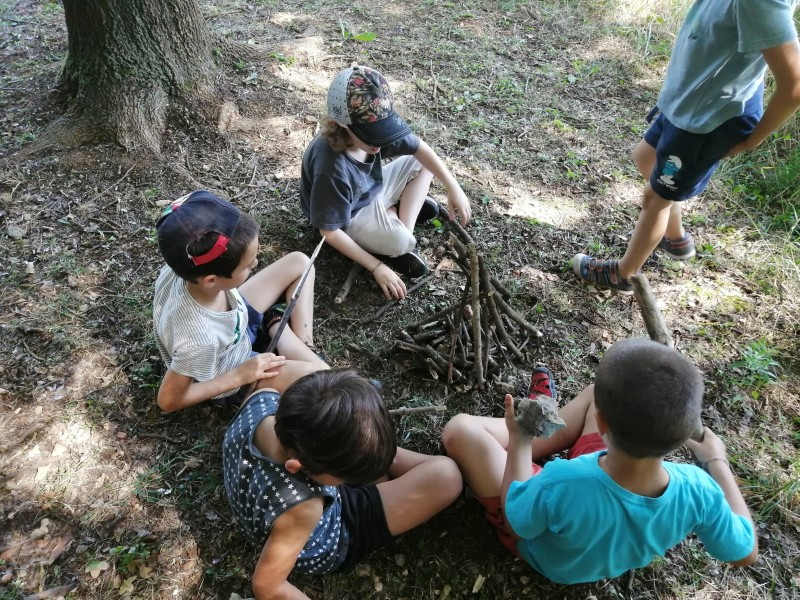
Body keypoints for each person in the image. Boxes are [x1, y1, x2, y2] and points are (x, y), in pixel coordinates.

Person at [442, 339, 758, 584]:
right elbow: (745, 553)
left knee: (460, 430)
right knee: (599, 392)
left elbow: (518, 525)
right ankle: (540, 419)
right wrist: (717, 461)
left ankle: (531, 427)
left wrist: (520, 441)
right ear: (681, 438)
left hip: (546, 552)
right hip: (598, 522)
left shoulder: (561, 481)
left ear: (601, 424)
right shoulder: (699, 490)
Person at [573, 0, 800, 294]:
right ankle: (676, 239)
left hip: (705, 121)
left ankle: (623, 274)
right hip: (687, 102)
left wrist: (752, 140)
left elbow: (794, 85)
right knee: (645, 158)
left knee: (656, 199)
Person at [222, 369, 462, 600]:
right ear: (297, 466)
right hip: (335, 531)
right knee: (447, 476)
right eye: (347, 476)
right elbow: (266, 586)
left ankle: (364, 455)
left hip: (282, 501)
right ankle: (373, 461)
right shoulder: (305, 507)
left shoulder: (261, 400)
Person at [300, 64, 472, 300]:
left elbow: (420, 148)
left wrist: (453, 186)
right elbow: (328, 231)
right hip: (348, 215)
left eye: (384, 130)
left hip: (371, 187)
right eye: (374, 133)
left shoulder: (370, 136)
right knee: (401, 242)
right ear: (342, 124)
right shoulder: (331, 167)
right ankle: (396, 223)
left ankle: (399, 220)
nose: (380, 141)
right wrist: (376, 266)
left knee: (421, 164)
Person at [153, 190, 328, 412]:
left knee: (300, 264)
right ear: (210, 280)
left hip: (232, 321)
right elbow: (169, 400)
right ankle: (280, 332)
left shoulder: (184, 263)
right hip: (232, 367)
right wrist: (240, 375)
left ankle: (302, 342)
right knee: (324, 379)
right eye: (247, 265)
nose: (255, 264)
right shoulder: (198, 340)